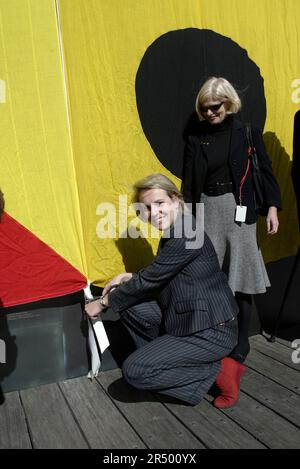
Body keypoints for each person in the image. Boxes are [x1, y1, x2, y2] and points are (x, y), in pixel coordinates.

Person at [85, 173, 244, 408]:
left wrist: (102, 302)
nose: (154, 212)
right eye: (147, 208)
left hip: (211, 330)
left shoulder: (186, 234)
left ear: (176, 200)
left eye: (160, 203)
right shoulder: (178, 229)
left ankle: (220, 371)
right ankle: (166, 361)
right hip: (190, 318)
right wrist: (126, 276)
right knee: (131, 306)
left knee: (135, 372)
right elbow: (162, 274)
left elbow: (151, 279)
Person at [181, 76, 282, 368]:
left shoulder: (247, 132)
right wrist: (188, 214)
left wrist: (273, 208)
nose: (210, 113)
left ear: (228, 103)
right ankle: (218, 335)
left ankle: (241, 341)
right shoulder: (196, 138)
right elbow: (189, 181)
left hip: (240, 208)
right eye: (205, 108)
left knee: (241, 278)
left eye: (215, 106)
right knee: (212, 278)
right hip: (207, 209)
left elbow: (264, 170)